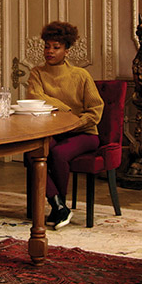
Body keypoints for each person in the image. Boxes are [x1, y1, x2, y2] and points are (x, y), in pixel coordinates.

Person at [25, 21, 104, 230]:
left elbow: (95, 111)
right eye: (47, 46)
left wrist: (73, 123)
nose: (49, 51)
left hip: (84, 133)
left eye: (56, 47)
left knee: (58, 154)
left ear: (67, 51)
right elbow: (35, 96)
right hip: (53, 131)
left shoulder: (80, 76)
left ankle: (58, 206)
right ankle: (58, 205)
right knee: (33, 152)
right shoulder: (37, 73)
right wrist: (65, 109)